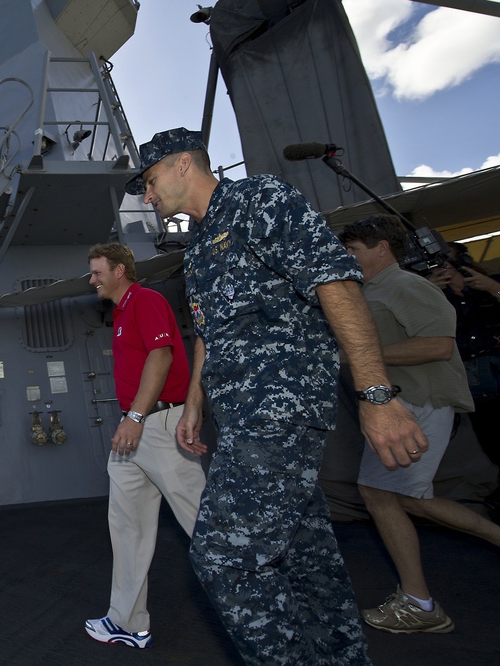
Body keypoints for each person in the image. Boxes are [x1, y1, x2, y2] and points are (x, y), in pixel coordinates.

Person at [126, 127, 427, 665]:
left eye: (149, 181)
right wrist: (195, 402)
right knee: (304, 559)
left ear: (181, 165)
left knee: (224, 559)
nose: (147, 196)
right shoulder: (197, 249)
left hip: (280, 408)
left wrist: (376, 394)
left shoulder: (259, 200)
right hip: (243, 417)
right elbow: (210, 335)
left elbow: (335, 282)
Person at [339, 216, 500, 634]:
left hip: (419, 402)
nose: (348, 258)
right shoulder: (372, 290)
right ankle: (420, 599)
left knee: (381, 494)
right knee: (402, 497)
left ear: (382, 248)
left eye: (354, 250)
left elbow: (438, 345)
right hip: (404, 402)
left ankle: (420, 604)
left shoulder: (406, 286)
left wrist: (366, 356)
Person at [83, 242, 207, 649]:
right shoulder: (120, 313)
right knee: (127, 527)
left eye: (98, 271)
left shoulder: (145, 300)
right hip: (135, 428)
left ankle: (261, 604)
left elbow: (162, 355)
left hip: (156, 424)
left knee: (203, 524)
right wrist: (131, 419)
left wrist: (136, 417)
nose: (92, 279)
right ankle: (127, 622)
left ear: (120, 270)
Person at [428, 243, 500, 467]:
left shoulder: (490, 284)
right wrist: (426, 292)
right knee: (489, 439)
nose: (446, 268)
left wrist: (493, 288)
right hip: (469, 379)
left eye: (451, 263)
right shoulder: (435, 294)